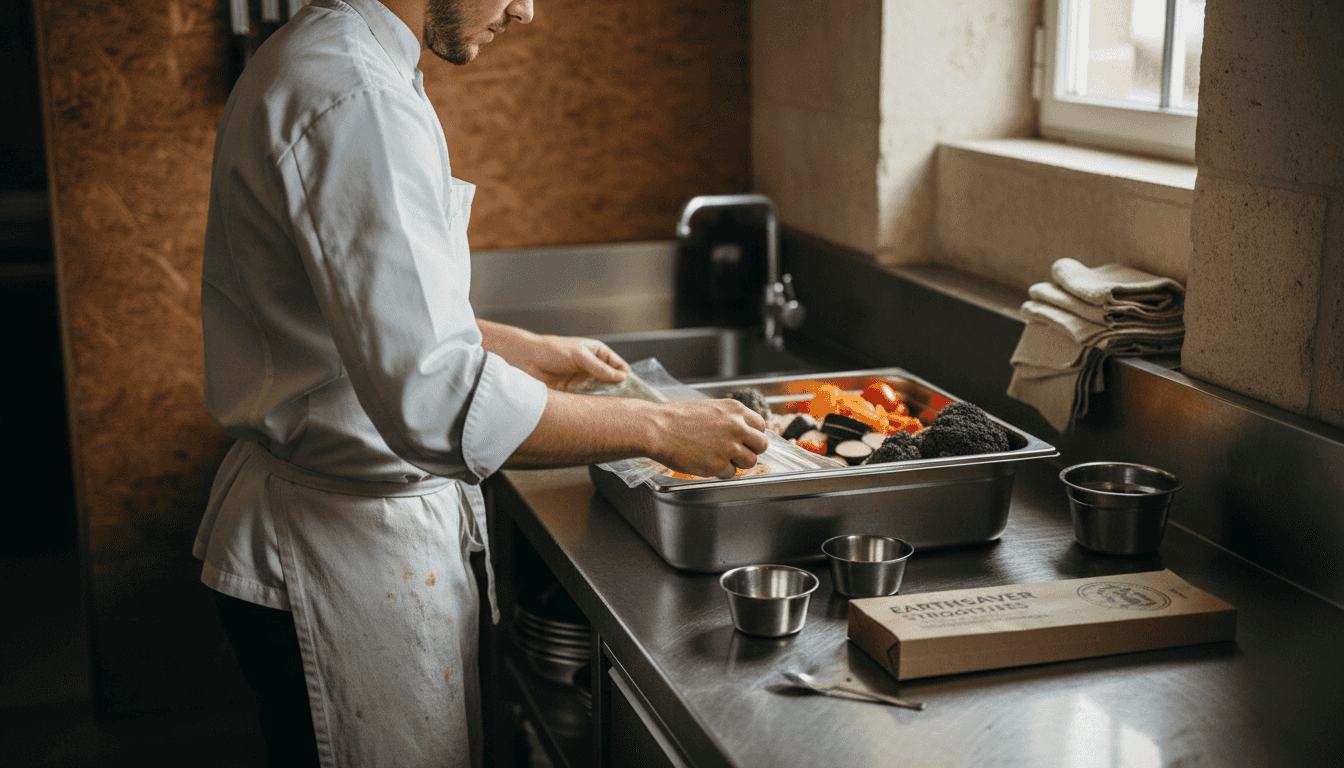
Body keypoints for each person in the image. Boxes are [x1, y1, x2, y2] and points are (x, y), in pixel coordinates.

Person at [192, 0, 769, 766]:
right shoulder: (354, 94)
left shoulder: (333, 56)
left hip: (346, 534)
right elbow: (433, 400)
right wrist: (661, 429)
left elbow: (355, 313)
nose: (525, 10)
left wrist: (519, 348)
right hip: (340, 558)